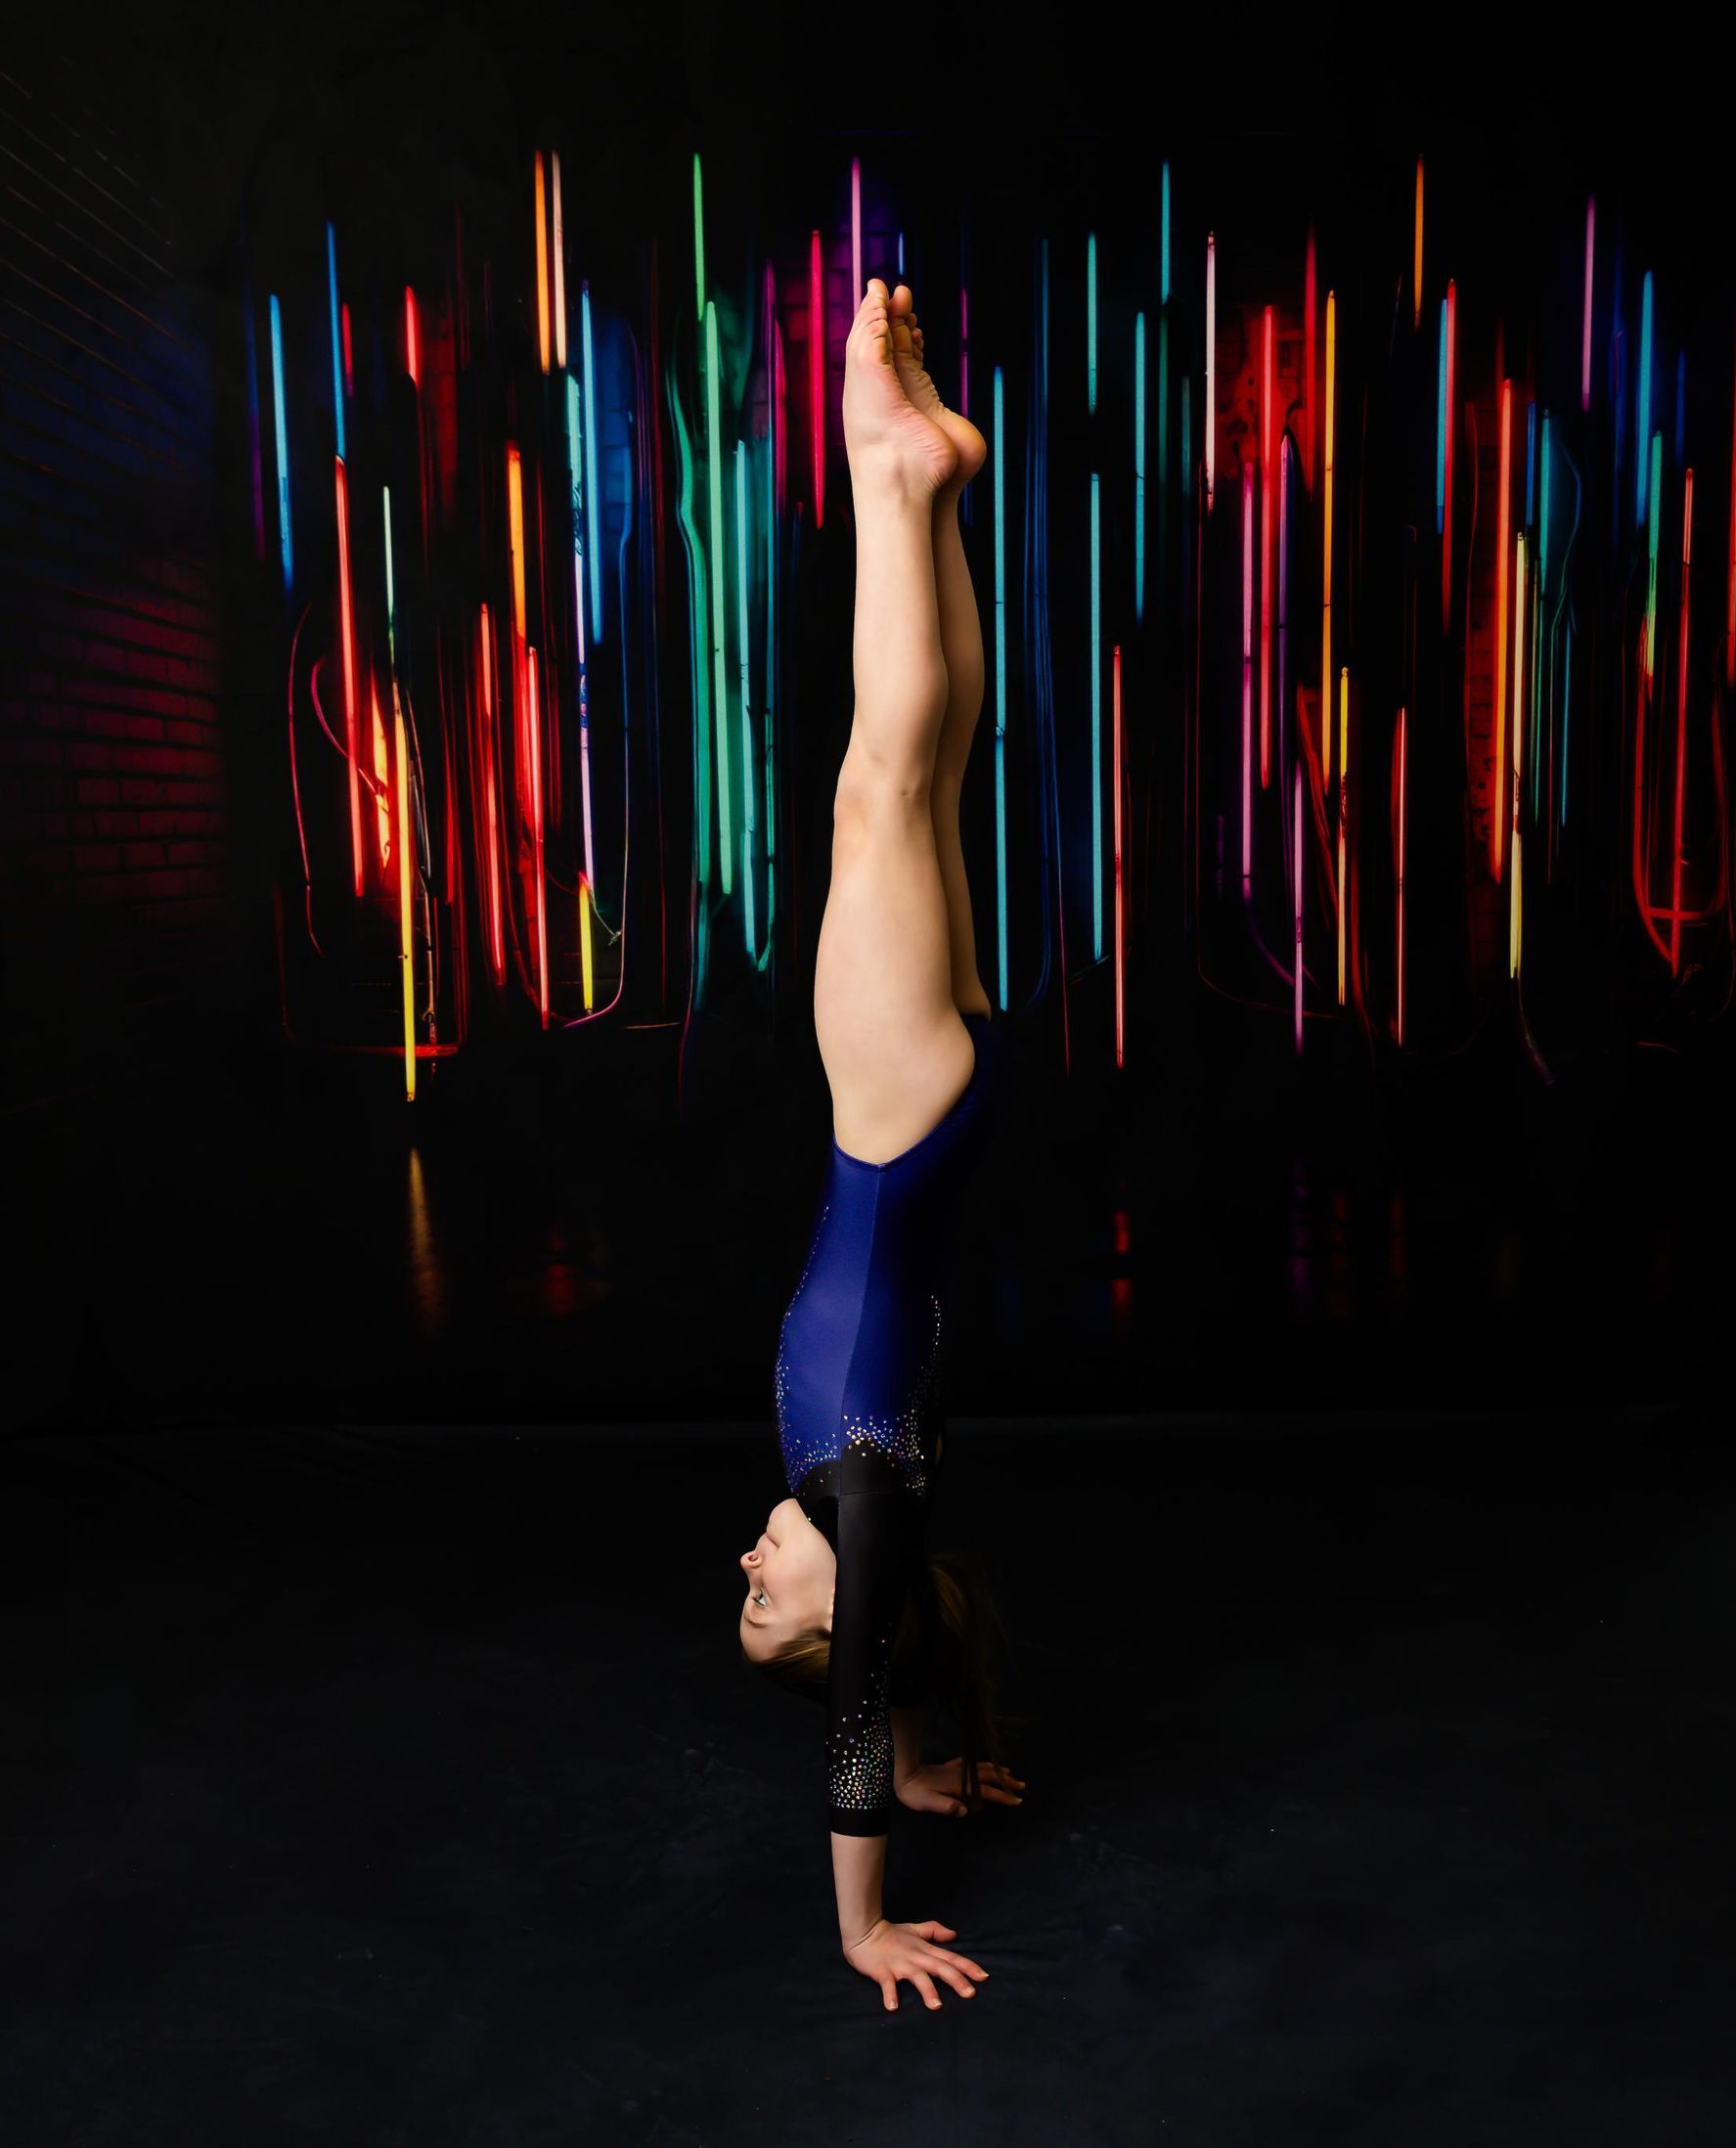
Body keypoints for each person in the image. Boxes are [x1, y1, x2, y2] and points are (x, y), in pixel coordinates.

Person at [736, 279, 1025, 2014]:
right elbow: (855, 1700)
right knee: (880, 780)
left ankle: (923, 483)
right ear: (839, 1613)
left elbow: (887, 1673)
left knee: (930, 774)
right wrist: (861, 1922)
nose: (747, 1567)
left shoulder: (882, 1522)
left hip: (927, 1119)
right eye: (761, 1605)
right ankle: (890, 470)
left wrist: (924, 1754)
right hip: (890, 1124)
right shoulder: (857, 1500)